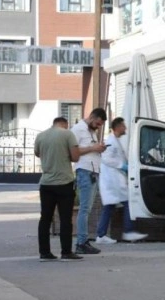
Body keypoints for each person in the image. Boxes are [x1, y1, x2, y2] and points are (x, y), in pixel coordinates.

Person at [34, 117, 83, 262]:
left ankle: (44, 252)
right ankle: (66, 252)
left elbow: (37, 153)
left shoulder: (40, 136)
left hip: (46, 183)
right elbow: (75, 157)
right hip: (64, 182)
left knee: (45, 218)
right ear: (64, 124)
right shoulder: (67, 134)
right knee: (65, 219)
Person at [95, 118, 148, 244]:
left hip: (114, 181)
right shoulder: (111, 142)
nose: (125, 128)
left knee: (110, 206)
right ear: (118, 127)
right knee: (128, 202)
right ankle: (128, 232)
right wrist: (123, 166)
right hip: (112, 181)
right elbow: (106, 158)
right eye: (123, 126)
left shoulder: (115, 141)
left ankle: (101, 235)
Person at [71, 108, 108, 254]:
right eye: (97, 124)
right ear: (92, 117)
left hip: (93, 171)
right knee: (85, 209)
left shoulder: (91, 131)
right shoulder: (78, 129)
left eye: (100, 125)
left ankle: (83, 241)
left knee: (88, 208)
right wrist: (93, 147)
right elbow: (73, 151)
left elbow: (90, 149)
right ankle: (81, 243)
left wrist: (99, 148)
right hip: (85, 170)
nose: (98, 127)